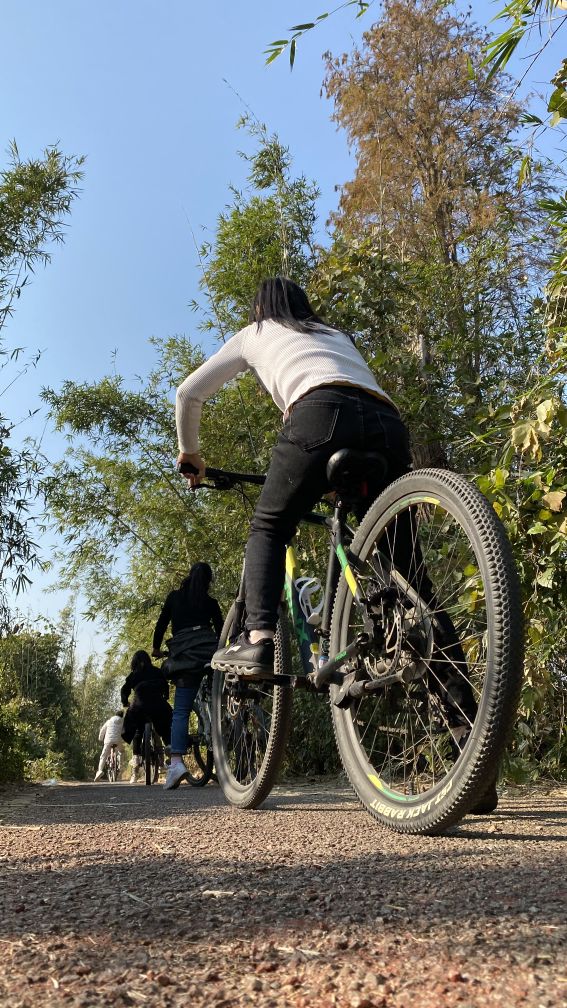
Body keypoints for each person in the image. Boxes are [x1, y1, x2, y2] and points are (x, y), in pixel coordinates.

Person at [175, 276, 498, 813]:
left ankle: (258, 637)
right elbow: (350, 390)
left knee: (269, 526)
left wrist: (191, 455)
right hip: (387, 428)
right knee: (412, 584)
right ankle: (474, 765)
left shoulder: (257, 332)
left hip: (318, 415)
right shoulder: (333, 334)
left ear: (260, 309)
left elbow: (189, 393)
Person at [152, 562, 223, 790]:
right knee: (220, 699)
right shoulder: (211, 603)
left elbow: (161, 624)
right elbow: (222, 632)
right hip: (210, 653)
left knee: (181, 711)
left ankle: (176, 764)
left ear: (190, 576)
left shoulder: (175, 597)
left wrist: (156, 648)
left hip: (185, 656)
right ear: (208, 581)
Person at [121, 650, 172, 784]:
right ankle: (171, 752)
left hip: (139, 706)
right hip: (158, 705)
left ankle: (136, 759)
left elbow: (124, 689)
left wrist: (125, 702)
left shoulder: (134, 674)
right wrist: (165, 697)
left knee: (138, 730)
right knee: (165, 729)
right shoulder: (157, 671)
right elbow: (165, 686)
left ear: (134, 662)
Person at [94, 711, 124, 781]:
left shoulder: (109, 721)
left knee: (103, 755)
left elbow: (102, 730)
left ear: (115, 715)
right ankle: (120, 765)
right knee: (122, 751)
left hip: (108, 741)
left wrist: (100, 738)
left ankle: (100, 771)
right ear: (122, 716)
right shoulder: (122, 723)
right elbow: (124, 732)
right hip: (118, 741)